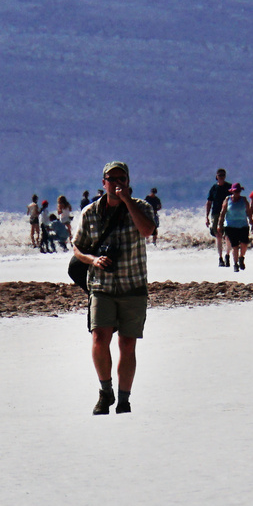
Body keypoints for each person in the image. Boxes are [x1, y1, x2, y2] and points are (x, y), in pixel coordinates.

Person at [74, 160, 157, 415]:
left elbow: (147, 230)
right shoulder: (91, 213)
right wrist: (93, 260)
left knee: (127, 344)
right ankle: (105, 391)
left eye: (122, 179)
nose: (117, 183)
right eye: (112, 179)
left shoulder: (141, 207)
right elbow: (77, 247)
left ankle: (124, 398)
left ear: (128, 182)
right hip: (102, 285)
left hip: (133, 285)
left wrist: (128, 202)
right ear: (103, 183)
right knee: (99, 336)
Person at [219, 183, 252, 271]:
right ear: (232, 191)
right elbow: (222, 213)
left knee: (244, 244)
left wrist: (252, 222)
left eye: (238, 191)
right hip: (230, 226)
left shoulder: (244, 200)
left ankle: (241, 258)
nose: (237, 193)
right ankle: (236, 264)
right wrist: (220, 224)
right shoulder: (227, 200)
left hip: (243, 225)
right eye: (235, 191)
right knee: (235, 246)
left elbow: (248, 212)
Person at [206, 168, 234, 268]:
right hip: (216, 213)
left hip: (228, 214)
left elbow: (235, 200)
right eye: (219, 175)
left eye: (223, 175)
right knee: (218, 235)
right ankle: (220, 258)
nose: (221, 177)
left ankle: (227, 255)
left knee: (227, 235)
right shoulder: (214, 188)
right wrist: (207, 217)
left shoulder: (229, 187)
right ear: (216, 177)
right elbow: (209, 203)